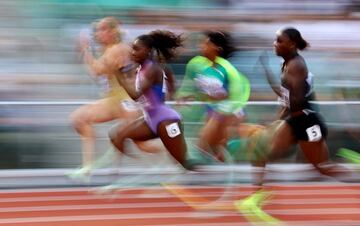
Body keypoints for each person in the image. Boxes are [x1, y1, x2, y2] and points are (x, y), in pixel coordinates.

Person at [69, 17, 149, 179]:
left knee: (141, 144)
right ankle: (88, 168)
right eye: (97, 30)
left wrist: (85, 49)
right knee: (79, 119)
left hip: (124, 101)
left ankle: (170, 158)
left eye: (101, 29)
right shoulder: (111, 48)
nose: (97, 33)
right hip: (115, 100)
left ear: (112, 32)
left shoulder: (117, 50)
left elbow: (97, 70)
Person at [109, 30, 188, 170]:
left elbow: (136, 95)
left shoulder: (152, 69)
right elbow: (168, 82)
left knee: (184, 163)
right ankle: (134, 169)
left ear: (148, 51)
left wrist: (119, 77)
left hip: (165, 120)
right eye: (132, 49)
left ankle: (217, 175)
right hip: (150, 119)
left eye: (137, 49)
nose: (132, 52)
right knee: (117, 136)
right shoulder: (140, 68)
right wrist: (174, 94)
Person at [177, 31, 250, 165]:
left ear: (217, 48)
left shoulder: (226, 69)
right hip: (213, 111)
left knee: (204, 143)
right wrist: (187, 96)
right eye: (201, 43)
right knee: (216, 148)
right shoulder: (200, 66)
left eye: (206, 44)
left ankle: (197, 157)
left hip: (229, 110)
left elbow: (232, 94)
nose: (201, 46)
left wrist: (210, 98)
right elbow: (195, 87)